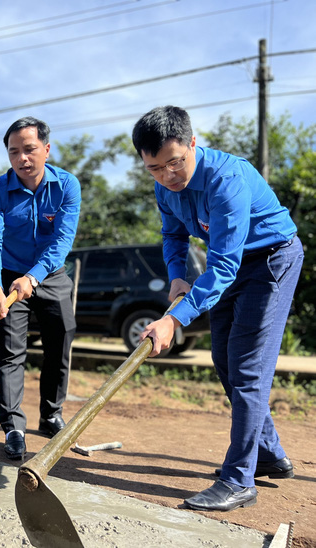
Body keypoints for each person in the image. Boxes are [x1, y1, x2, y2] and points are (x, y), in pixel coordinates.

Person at [132, 105, 303, 512]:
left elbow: (223, 264)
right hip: (229, 267)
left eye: (175, 162)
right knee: (224, 359)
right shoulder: (164, 187)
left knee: (247, 368)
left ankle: (239, 480)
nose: (168, 175)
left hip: (270, 261)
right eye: (155, 168)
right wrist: (177, 275)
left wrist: (174, 319)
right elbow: (172, 235)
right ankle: (268, 454)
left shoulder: (227, 178)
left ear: (193, 143)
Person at [0, 116, 80, 460]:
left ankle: (51, 413)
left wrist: (33, 276)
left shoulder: (67, 186)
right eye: (14, 151)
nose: (22, 158)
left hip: (50, 274)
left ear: (46, 150)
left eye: (30, 149)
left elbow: (62, 241)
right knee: (9, 350)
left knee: (61, 339)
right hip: (8, 275)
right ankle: (13, 428)